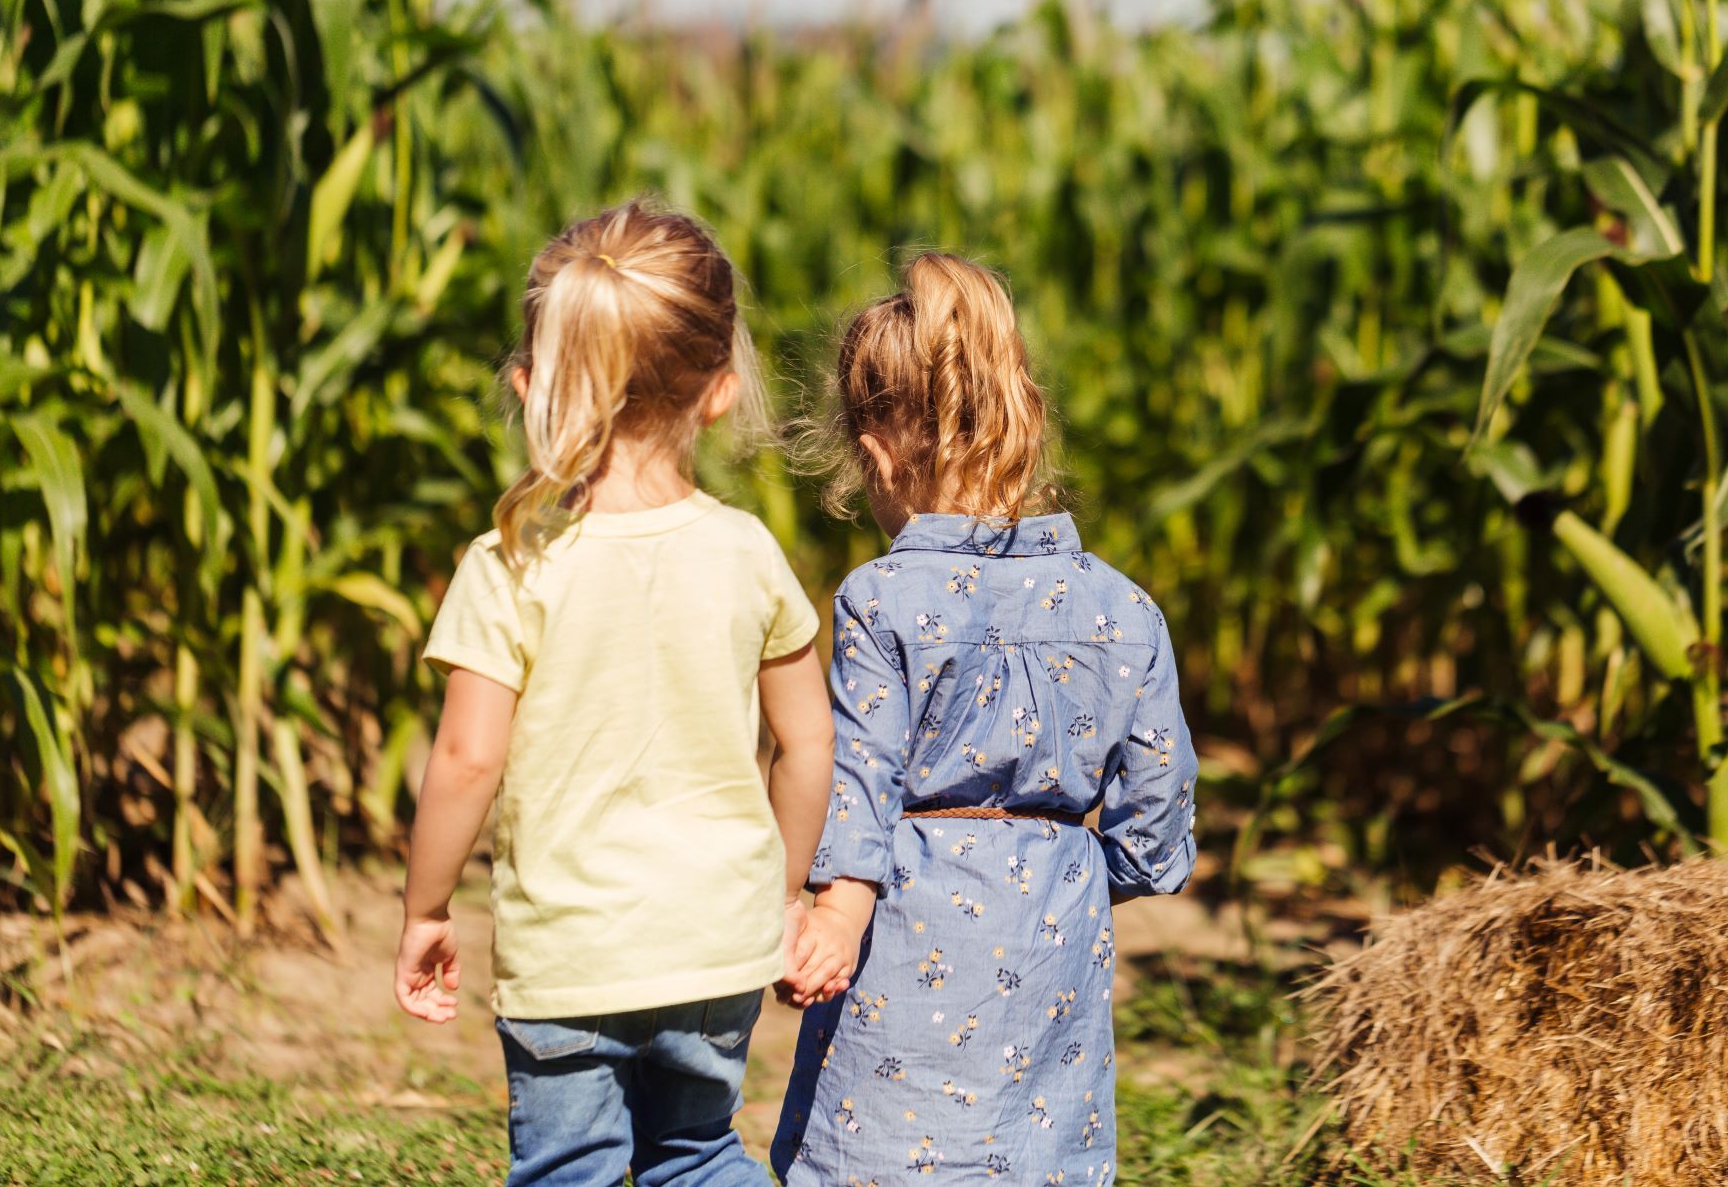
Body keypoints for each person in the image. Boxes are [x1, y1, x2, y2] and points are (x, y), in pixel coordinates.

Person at [393, 200, 835, 1187]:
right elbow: (807, 745)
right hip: (718, 942)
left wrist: (426, 909)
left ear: (527, 385)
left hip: (569, 955)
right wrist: (783, 894)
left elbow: (466, 758)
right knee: (699, 1154)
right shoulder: (748, 555)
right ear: (718, 392)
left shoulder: (506, 564)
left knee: (571, 1167)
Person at [771, 253, 1199, 1184]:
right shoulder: (1121, 608)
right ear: (1025, 418)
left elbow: (859, 781)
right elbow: (1159, 818)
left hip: (902, 942)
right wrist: (1071, 875)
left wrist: (833, 912)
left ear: (879, 446)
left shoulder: (881, 599)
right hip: (1053, 954)